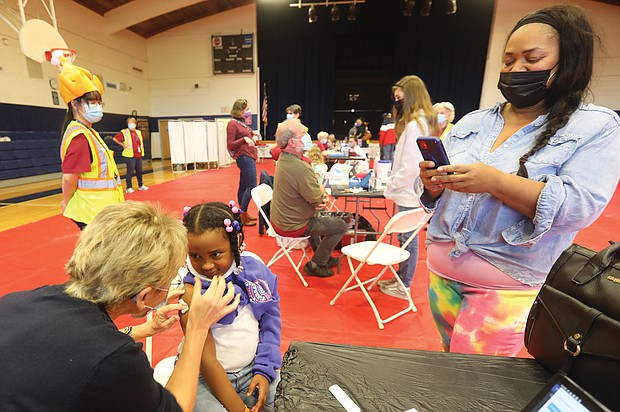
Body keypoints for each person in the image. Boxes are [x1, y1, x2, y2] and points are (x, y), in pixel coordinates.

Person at [418, 5, 620, 356]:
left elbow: (578, 208)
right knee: (447, 369)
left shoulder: (595, 126)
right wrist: (434, 186)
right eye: (509, 60)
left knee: (473, 388)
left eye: (532, 58)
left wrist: (495, 182)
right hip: (441, 273)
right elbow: (434, 196)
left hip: (505, 287)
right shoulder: (473, 121)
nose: (516, 69)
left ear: (568, 62)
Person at [0, 201, 241, 411]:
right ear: (144, 296)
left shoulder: (15, 302)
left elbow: (67, 345)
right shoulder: (118, 360)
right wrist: (197, 330)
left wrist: (143, 331)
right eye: (170, 280)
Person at [179, 202, 281, 412]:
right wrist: (239, 409)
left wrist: (263, 371)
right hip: (202, 377)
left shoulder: (255, 271)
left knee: (293, 398)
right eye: (195, 256)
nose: (206, 265)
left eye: (216, 254)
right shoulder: (190, 292)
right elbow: (206, 361)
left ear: (237, 241)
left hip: (252, 368)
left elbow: (271, 323)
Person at [378, 75, 439, 300]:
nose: (397, 102)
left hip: (408, 192)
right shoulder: (423, 123)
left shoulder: (415, 125)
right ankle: (400, 280)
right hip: (410, 192)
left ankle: (403, 285)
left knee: (408, 240)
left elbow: (411, 166)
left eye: (399, 98)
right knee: (405, 239)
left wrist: (392, 184)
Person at [271, 119, 348, 278]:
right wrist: (320, 196)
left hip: (284, 219)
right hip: (293, 224)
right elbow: (318, 199)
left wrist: (318, 198)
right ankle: (316, 264)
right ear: (292, 142)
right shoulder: (299, 166)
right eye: (303, 133)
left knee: (317, 215)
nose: (307, 136)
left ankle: (322, 256)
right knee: (340, 225)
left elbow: (314, 198)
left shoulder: (285, 160)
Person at [57, 58, 123, 230]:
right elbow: (70, 177)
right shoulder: (79, 136)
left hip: (102, 209)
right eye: (92, 102)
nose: (97, 106)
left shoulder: (89, 132)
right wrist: (66, 201)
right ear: (74, 104)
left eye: (99, 102)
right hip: (92, 210)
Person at [227, 99, 260, 226]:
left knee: (244, 185)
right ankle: (243, 214)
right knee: (252, 185)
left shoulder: (240, 123)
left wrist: (252, 133)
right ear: (239, 110)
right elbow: (230, 144)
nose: (248, 112)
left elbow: (245, 132)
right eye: (246, 109)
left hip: (248, 156)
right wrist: (244, 139)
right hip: (244, 157)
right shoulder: (232, 124)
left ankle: (241, 212)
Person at [113, 117, 149, 193]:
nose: (131, 124)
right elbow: (115, 139)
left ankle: (141, 185)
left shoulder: (138, 132)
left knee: (139, 171)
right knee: (130, 171)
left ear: (135, 124)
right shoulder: (124, 132)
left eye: (132, 123)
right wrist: (122, 145)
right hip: (129, 155)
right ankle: (128, 187)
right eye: (129, 123)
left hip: (138, 154)